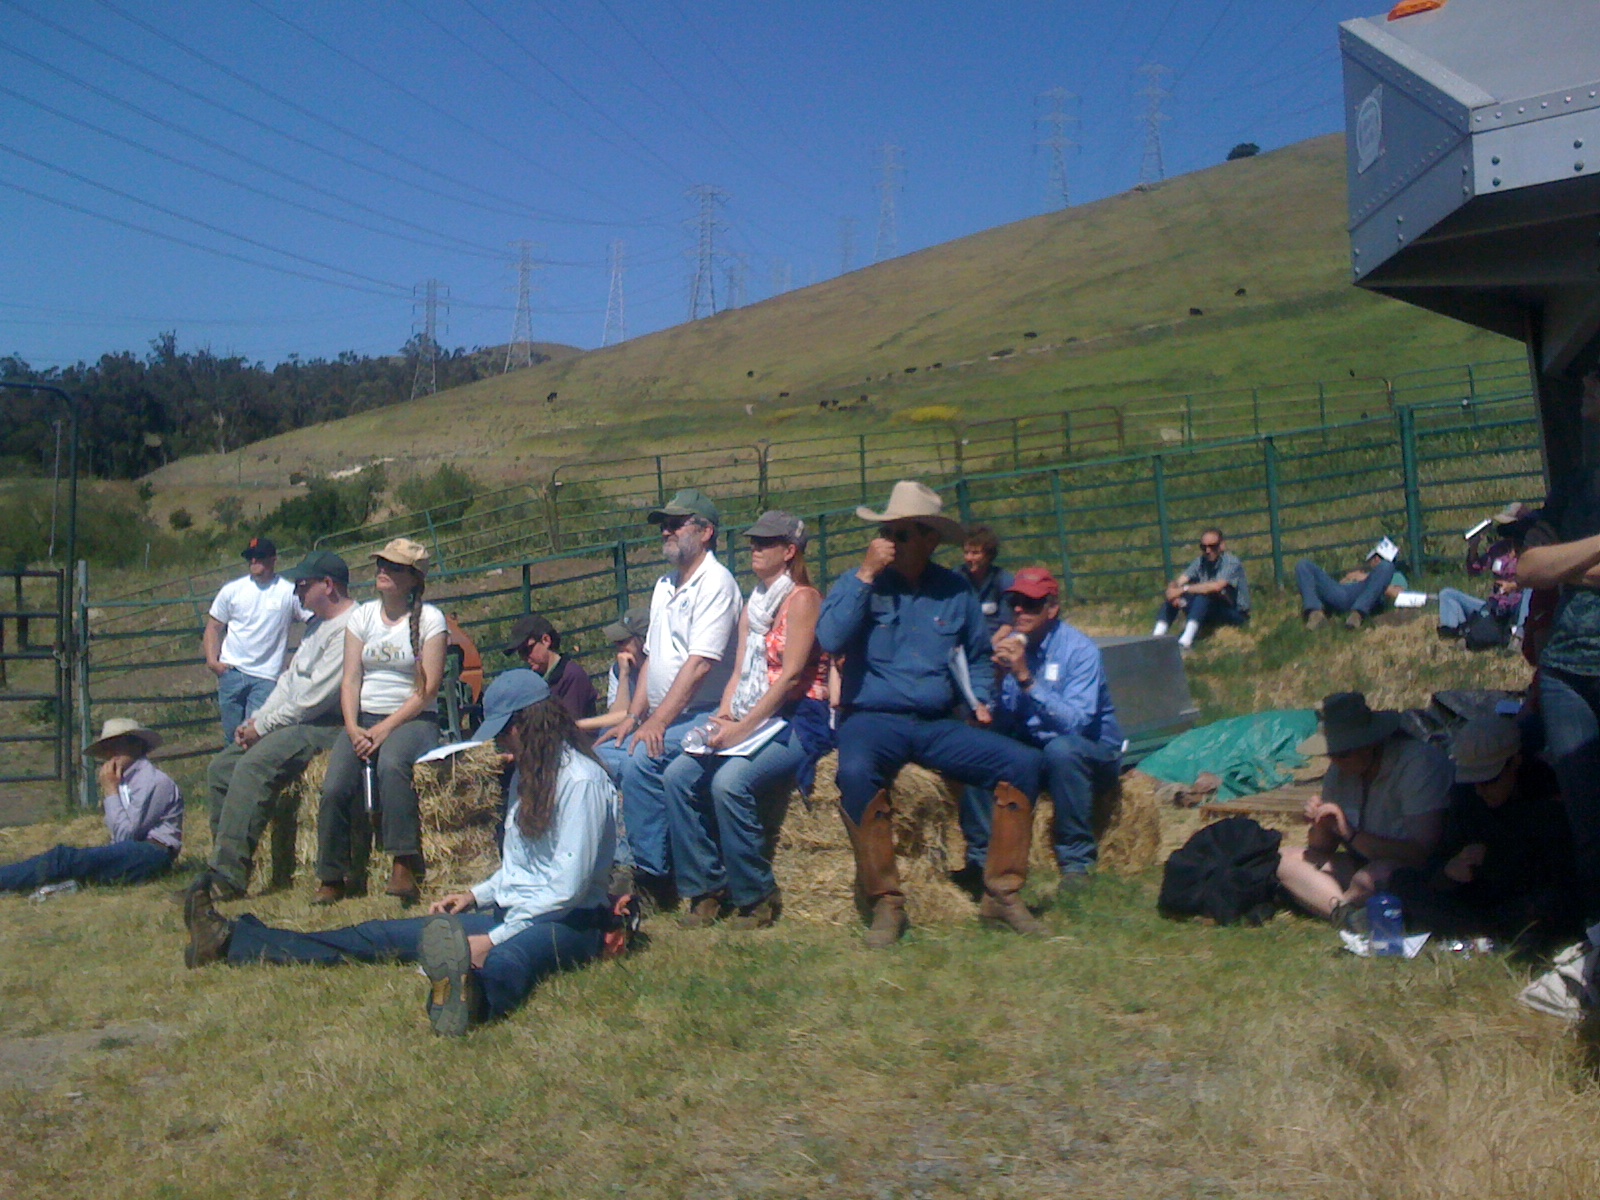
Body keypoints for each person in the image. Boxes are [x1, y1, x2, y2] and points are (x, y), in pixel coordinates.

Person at [184, 670, 620, 1038]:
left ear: (529, 725)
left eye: (507, 731)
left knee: (513, 958)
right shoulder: (530, 777)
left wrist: (491, 939)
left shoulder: (580, 782)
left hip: (571, 920)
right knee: (383, 934)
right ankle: (232, 940)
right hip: (515, 910)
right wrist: (475, 895)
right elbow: (523, 868)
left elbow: (566, 886)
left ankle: (470, 999)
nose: (504, 744)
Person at [817, 480, 1045, 945]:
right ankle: (887, 901)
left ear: (929, 539)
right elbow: (830, 639)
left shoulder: (954, 591)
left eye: (901, 533)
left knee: (1023, 763)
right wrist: (864, 575)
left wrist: (981, 700)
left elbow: (978, 654)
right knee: (855, 772)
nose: (888, 543)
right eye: (886, 532)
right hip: (872, 717)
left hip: (937, 722)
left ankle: (1001, 893)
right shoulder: (859, 582)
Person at [663, 511, 833, 931]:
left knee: (729, 782)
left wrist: (742, 728)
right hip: (753, 711)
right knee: (677, 776)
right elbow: (739, 671)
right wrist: (724, 713)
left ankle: (756, 894)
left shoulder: (803, 600)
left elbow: (792, 675)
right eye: (753, 542)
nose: (754, 549)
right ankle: (706, 887)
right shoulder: (754, 603)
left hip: (797, 716)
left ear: (788, 551)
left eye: (764, 543)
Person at [595, 488, 741, 908]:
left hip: (706, 712)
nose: (666, 531)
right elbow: (654, 660)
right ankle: (616, 862)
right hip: (666, 713)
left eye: (677, 524)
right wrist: (633, 716)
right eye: (665, 525)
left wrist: (656, 724)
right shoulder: (664, 586)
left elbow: (700, 666)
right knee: (604, 756)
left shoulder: (717, 584)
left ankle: (655, 878)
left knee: (643, 762)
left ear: (707, 531)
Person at [194, 551, 356, 900]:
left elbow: (314, 699)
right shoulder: (317, 626)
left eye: (303, 585)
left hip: (330, 724)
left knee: (253, 765)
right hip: (300, 719)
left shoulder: (350, 628)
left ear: (328, 586)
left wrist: (263, 728)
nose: (296, 592)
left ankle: (229, 877)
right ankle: (218, 865)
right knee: (222, 768)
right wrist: (258, 719)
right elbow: (288, 681)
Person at [965, 568, 1124, 887]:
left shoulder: (1079, 651)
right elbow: (1004, 722)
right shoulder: (1009, 645)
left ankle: (1076, 861)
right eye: (1015, 603)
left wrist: (1025, 678)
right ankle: (981, 859)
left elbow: (1076, 724)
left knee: (1061, 751)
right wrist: (994, 684)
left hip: (1090, 750)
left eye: (1031, 604)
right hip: (1034, 746)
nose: (1020, 610)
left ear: (1053, 609)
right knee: (974, 746)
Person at [314, 538, 447, 907]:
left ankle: (403, 862)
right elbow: (351, 678)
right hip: (364, 718)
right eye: (380, 565)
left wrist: (386, 728)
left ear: (413, 578)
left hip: (413, 719)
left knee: (392, 765)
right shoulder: (363, 617)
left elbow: (427, 688)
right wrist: (353, 727)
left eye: (393, 567)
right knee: (335, 784)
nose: (382, 572)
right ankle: (331, 874)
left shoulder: (431, 620)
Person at [1388, 716, 1577, 948]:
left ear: (1515, 763)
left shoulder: (1548, 793)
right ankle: (1484, 931)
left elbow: (1557, 872)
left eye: (1489, 781)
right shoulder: (1467, 795)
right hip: (1475, 896)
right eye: (1474, 781)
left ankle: (1474, 930)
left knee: (1551, 905)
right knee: (1402, 881)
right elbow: (1440, 859)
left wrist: (1495, 860)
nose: (1480, 790)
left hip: (1520, 897)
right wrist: (1449, 871)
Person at [1517, 430, 1600, 925]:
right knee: (1587, 825)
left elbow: (1549, 567)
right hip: (1566, 674)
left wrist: (1565, 563)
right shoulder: (1576, 487)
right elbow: (1528, 567)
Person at [1276, 692, 1451, 924]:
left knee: (1370, 877)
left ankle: (1335, 905)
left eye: (1343, 753)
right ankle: (1346, 914)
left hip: (1411, 871)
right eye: (1331, 754)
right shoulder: (1338, 772)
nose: (1336, 761)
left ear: (1370, 742)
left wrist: (1351, 834)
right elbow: (1320, 848)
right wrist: (1322, 823)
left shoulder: (1418, 764)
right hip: (1364, 862)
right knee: (1284, 858)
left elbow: (1421, 853)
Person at [0, 719, 182, 893]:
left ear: (137, 745)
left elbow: (126, 836)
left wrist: (110, 791)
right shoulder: (124, 781)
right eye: (107, 747)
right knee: (70, 866)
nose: (111, 752)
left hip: (153, 852)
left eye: (118, 744)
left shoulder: (154, 781)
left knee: (64, 859)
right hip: (137, 852)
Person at [203, 536, 308, 742]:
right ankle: (231, 772)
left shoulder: (288, 592)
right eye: (250, 557)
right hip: (231, 672)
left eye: (259, 557)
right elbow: (214, 627)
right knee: (231, 737)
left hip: (266, 677)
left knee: (255, 735)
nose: (253, 562)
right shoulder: (232, 590)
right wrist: (212, 661)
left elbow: (313, 620)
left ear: (272, 559)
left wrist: (300, 658)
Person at [1437, 503, 1532, 640]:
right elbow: (1475, 570)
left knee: (1530, 589)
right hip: (1496, 605)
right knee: (1447, 594)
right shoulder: (1498, 549)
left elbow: (1538, 579)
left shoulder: (1531, 549)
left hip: (1519, 605)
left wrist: (1513, 586)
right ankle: (1453, 633)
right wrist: (1474, 547)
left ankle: (1520, 633)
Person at [1152, 528, 1250, 650]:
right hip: (1210, 609)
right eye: (1204, 547)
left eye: (1212, 546)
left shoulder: (1231, 562)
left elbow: (1216, 586)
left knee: (1205, 595)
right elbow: (1179, 581)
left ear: (1222, 546)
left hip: (1233, 612)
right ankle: (1156, 637)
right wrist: (1173, 593)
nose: (1208, 551)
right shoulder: (1200, 562)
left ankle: (1186, 641)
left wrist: (1183, 590)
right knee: (1177, 597)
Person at [1294, 537, 1410, 630]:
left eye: (1381, 558)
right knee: (1303, 565)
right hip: (1342, 592)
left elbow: (1399, 594)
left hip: (1364, 595)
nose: (1376, 560)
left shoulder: (1394, 575)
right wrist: (1348, 579)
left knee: (1386, 567)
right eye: (1376, 556)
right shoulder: (1361, 570)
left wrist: (1365, 578)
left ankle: (1357, 615)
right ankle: (1315, 614)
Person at [503, 613, 597, 721]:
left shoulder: (572, 676)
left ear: (546, 640)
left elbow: (571, 727)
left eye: (527, 650)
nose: (524, 657)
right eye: (520, 653)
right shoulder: (534, 679)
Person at [577, 607, 648, 736]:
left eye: (622, 642)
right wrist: (624, 675)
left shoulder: (660, 671)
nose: (618, 647)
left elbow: (632, 715)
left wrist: (578, 725)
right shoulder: (618, 669)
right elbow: (616, 715)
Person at [959, 525, 1014, 643]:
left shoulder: (1003, 581)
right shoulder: (956, 579)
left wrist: (987, 648)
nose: (969, 558)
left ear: (989, 555)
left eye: (975, 553)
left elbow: (1008, 625)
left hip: (995, 643)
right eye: (966, 552)